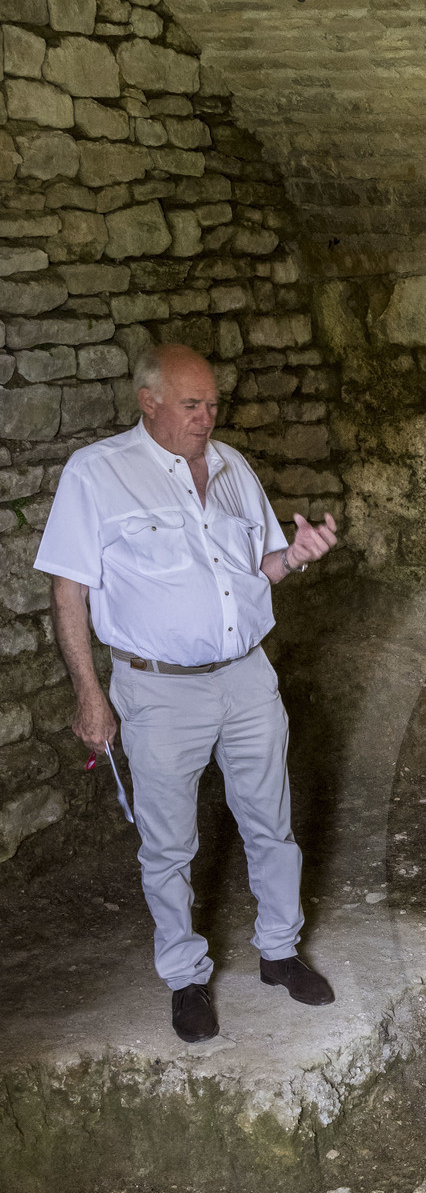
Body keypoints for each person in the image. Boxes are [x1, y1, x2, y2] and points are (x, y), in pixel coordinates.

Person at [35, 342, 340, 1044]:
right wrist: (90, 696)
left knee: (271, 820)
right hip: (158, 690)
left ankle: (279, 952)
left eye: (211, 404)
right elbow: (69, 590)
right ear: (149, 401)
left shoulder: (233, 467)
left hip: (246, 675)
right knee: (169, 844)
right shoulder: (98, 473)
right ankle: (184, 976)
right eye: (191, 405)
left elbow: (259, 567)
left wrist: (294, 555)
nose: (206, 418)